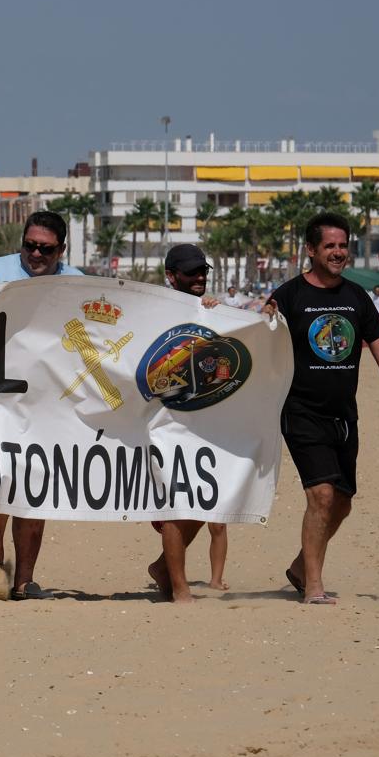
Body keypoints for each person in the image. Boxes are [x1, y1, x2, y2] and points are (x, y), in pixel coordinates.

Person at [263, 212, 379, 605]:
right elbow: (256, 335)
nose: (338, 252)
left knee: (342, 501)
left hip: (344, 415)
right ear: (311, 250)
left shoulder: (356, 298)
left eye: (343, 245)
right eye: (330, 245)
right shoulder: (289, 295)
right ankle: (313, 586)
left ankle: (299, 567)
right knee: (322, 496)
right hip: (301, 412)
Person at [0, 211, 82, 600]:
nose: (34, 254)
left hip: (48, 403)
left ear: (61, 249)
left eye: (44, 248)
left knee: (35, 489)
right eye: (29, 245)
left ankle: (24, 580)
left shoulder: (77, 283)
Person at [145, 244, 229, 604]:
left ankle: (164, 567)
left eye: (203, 272)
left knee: (209, 501)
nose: (199, 278)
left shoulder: (213, 312)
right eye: (192, 272)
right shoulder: (151, 311)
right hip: (163, 422)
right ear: (171, 276)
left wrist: (217, 315)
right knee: (176, 504)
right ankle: (180, 588)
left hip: (207, 423)